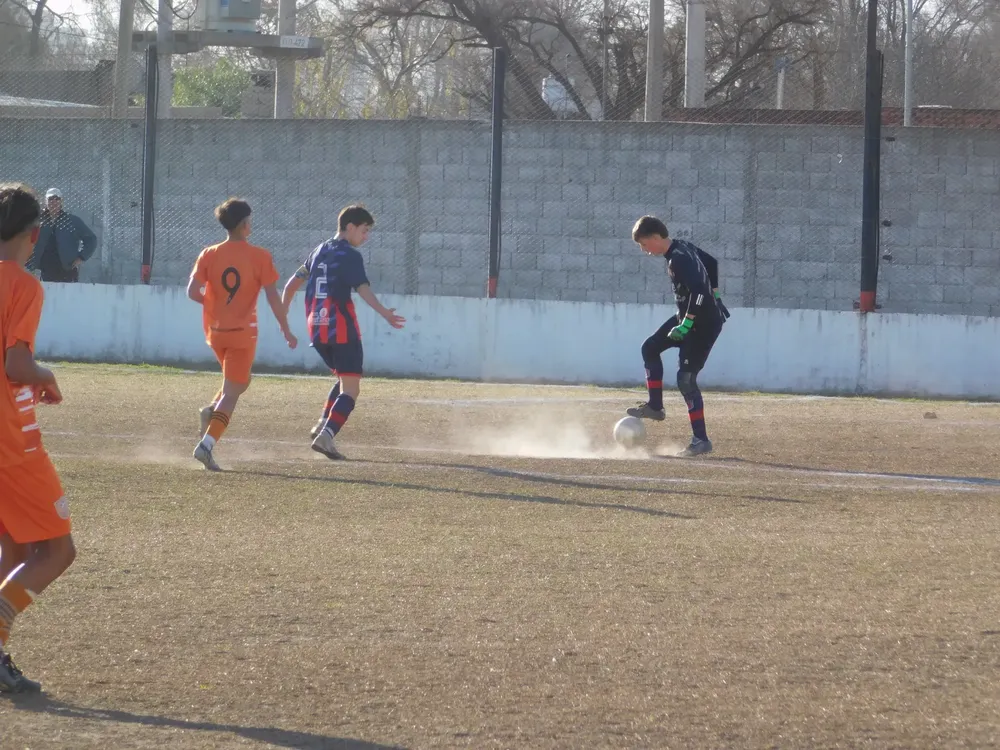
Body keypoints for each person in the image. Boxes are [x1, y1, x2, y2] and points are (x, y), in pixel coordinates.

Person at [0, 183, 77, 693]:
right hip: (10, 441)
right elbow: (16, 364)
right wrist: (46, 376)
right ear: (33, 235)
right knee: (56, 551)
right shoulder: (24, 285)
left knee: (12, 545)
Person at [281, 205, 405, 461]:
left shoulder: (318, 251)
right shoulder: (350, 255)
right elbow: (363, 289)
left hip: (317, 329)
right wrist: (384, 312)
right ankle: (326, 436)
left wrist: (283, 317)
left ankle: (321, 424)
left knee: (343, 380)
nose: (366, 236)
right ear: (350, 227)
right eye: (364, 230)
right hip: (341, 329)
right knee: (351, 389)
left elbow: (291, 285)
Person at [187, 198, 297, 471]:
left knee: (240, 381)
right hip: (242, 334)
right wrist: (286, 329)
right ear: (244, 224)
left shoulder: (209, 253)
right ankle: (207, 445)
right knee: (233, 391)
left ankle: (212, 410)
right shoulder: (259, 256)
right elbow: (273, 298)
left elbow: (192, 292)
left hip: (215, 332)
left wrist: (214, 305)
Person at [626, 216, 730, 457]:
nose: (644, 250)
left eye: (644, 244)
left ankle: (700, 440)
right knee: (650, 348)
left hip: (703, 325)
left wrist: (687, 323)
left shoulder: (679, 258)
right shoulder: (681, 247)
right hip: (687, 318)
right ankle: (655, 406)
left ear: (655, 238)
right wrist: (716, 294)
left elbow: (698, 291)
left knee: (686, 379)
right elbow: (711, 263)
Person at [28, 188, 97, 283]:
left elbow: (91, 239)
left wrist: (81, 257)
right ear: (45, 201)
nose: (54, 202)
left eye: (57, 199)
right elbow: (23, 239)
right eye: (50, 199)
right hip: (42, 269)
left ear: (61, 201)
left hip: (67, 268)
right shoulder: (37, 220)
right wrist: (28, 261)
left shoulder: (71, 221)